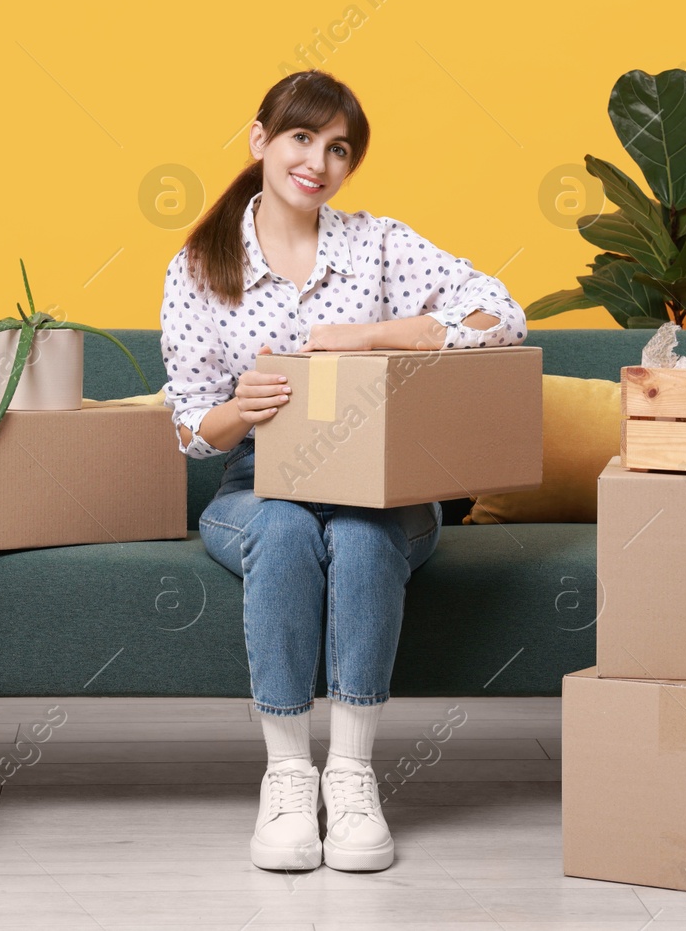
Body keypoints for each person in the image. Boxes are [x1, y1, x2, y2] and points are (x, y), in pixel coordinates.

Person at [159, 69, 525, 873]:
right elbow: (191, 425)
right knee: (286, 526)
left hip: (383, 477)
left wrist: (367, 338)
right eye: (301, 138)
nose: (317, 163)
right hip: (257, 477)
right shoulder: (197, 268)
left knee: (361, 534)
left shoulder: (380, 244)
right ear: (260, 140)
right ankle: (289, 776)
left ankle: (352, 774)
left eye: (338, 149)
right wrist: (242, 408)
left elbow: (501, 312)